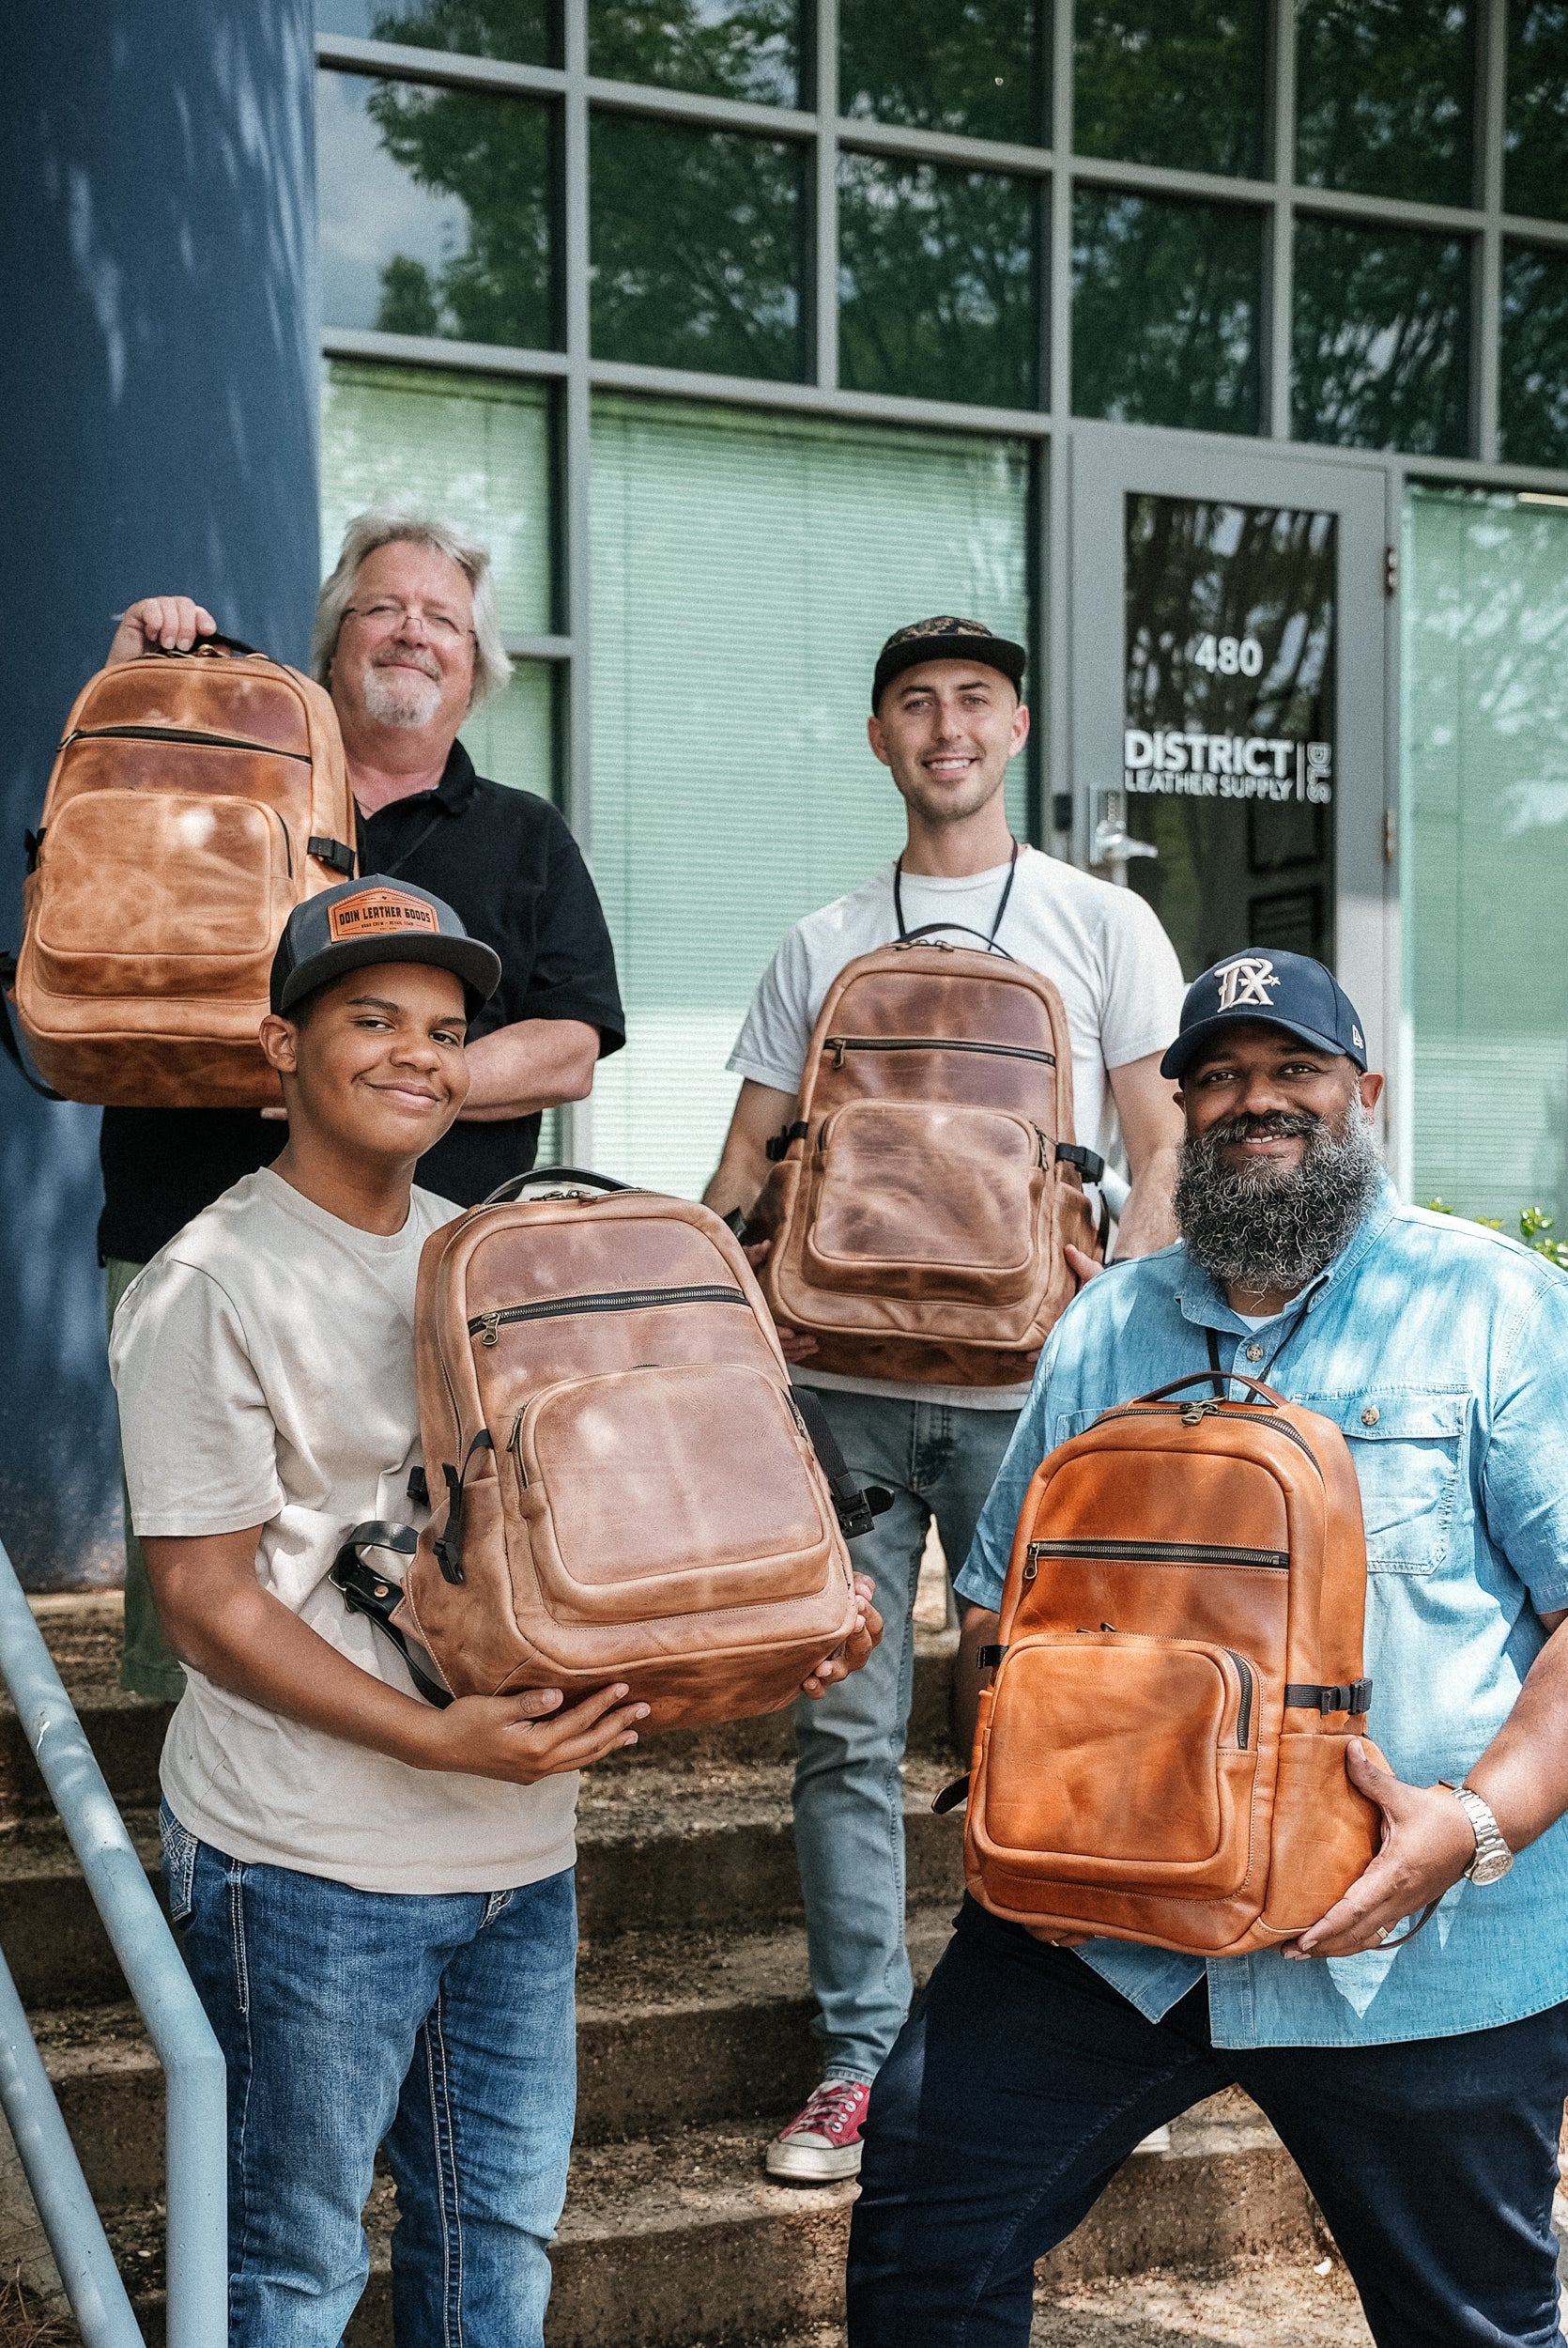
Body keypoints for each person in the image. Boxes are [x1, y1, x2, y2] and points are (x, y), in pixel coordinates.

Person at [111, 875, 878, 2347]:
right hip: (306, 1863)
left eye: (447, 1029)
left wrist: (769, 1630)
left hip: (517, 1852)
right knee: (291, 2272)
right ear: (280, 1046)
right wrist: (433, 1739)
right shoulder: (210, 1282)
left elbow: (590, 1546)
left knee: (497, 2259)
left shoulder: (496, 1259)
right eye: (371, 1018)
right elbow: (203, 1602)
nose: (416, 1052)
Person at [847, 948, 1568, 2348]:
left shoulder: (1492, 1311)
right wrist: (1020, 1806)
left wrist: (1475, 1825)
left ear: (1362, 1091)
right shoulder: (1106, 1323)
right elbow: (1001, 1612)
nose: (1256, 1101)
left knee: (1468, 2328)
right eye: (1219, 1077)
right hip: (1103, 1930)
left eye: (1292, 1069)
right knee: (924, 2244)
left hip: (1410, 1941)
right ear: (1180, 1113)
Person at [702, 614, 1188, 2180]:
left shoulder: (1103, 925)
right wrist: (700, 1337)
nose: (946, 725)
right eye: (915, 702)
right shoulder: (821, 941)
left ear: (1020, 728)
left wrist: (1135, 1338)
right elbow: (746, 1167)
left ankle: (1022, 2056)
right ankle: (857, 2059)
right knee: (840, 1739)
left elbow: (1160, 1149)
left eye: (974, 699)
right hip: (836, 1384)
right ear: (880, 738)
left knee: (1043, 1716)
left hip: (1034, 1393)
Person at [100, 515, 624, 1703]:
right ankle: (203, 1848)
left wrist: (398, 1075)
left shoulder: (523, 834)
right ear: (332, 641)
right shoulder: (222, 775)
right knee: (200, 1609)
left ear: (474, 668)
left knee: (441, 1568)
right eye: (384, 608)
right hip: (189, 1233)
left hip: (436, 1277)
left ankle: (426, 1785)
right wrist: (148, 675)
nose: (412, 634)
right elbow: (106, 882)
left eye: (442, 619)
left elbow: (572, 1043)